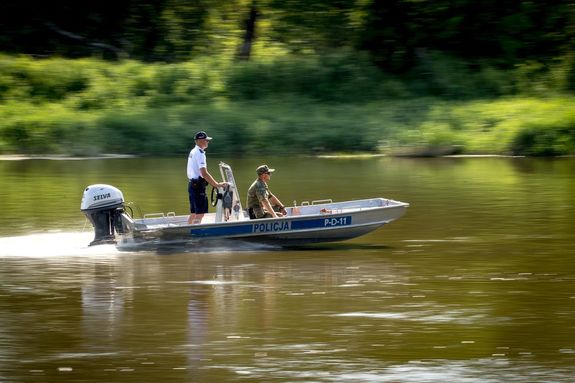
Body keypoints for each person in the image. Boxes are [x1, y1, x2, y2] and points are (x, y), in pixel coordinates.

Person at [187, 131, 227, 224]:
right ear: (200, 141)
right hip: (198, 187)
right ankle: (196, 236)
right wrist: (216, 185)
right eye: (206, 140)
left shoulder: (193, 151)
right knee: (200, 214)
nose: (208, 142)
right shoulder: (200, 153)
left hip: (191, 185)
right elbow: (204, 173)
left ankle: (187, 231)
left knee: (193, 213)